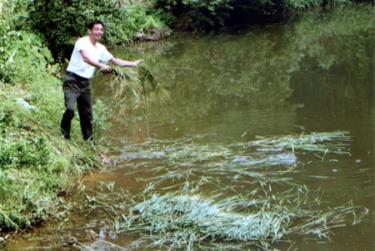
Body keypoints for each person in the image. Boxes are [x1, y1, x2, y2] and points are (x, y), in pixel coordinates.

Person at [60, 20, 142, 141]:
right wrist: (100, 65)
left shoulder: (101, 48)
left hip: (85, 83)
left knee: (87, 114)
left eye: (101, 30)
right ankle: (64, 135)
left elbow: (114, 60)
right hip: (72, 79)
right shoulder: (82, 42)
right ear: (90, 31)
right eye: (97, 29)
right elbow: (86, 58)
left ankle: (89, 142)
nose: (99, 32)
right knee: (70, 109)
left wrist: (132, 64)